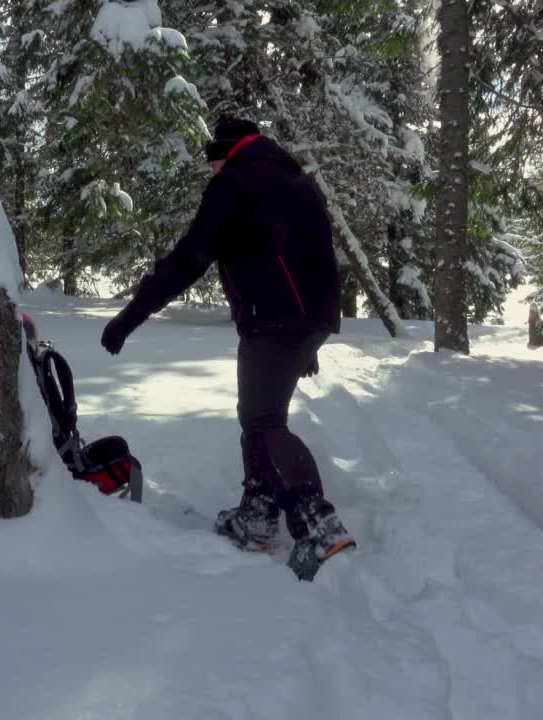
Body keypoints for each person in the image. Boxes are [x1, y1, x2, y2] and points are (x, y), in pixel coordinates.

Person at [100, 115, 356, 581]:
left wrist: (128, 317)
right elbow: (309, 249)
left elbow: (188, 259)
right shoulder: (291, 177)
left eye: (212, 165)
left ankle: (317, 521)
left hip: (276, 318)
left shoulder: (236, 182)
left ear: (224, 155)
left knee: (262, 420)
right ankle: (258, 512)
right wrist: (310, 334)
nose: (211, 173)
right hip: (306, 316)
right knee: (255, 413)